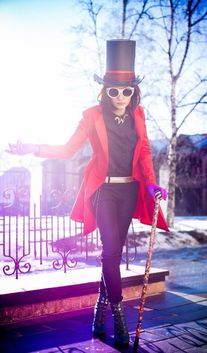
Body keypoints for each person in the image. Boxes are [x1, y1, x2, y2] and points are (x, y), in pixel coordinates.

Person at [8, 39, 168, 347]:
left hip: (130, 191)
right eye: (113, 90)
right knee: (110, 251)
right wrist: (32, 147)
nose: (120, 96)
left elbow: (145, 151)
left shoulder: (139, 116)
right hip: (103, 192)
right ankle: (117, 315)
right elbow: (68, 149)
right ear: (104, 91)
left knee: (114, 254)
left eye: (126, 90)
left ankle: (98, 308)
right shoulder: (92, 116)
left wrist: (151, 183)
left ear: (134, 91)